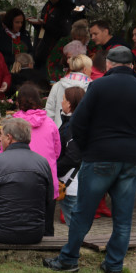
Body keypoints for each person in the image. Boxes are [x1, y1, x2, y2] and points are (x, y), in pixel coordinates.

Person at [43, 46, 136, 273]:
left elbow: (77, 123)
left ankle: (69, 259)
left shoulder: (98, 87)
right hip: (128, 159)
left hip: (99, 156)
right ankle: (114, 265)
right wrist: (134, 147)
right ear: (131, 65)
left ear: (109, 64)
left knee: (83, 213)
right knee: (123, 218)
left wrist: (87, 148)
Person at [0, 117, 54, 243]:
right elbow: (48, 199)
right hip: (34, 232)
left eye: (1, 135)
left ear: (9, 138)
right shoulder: (42, 162)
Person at [29, 0, 73, 70]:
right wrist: (36, 25)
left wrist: (44, 25)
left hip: (55, 52)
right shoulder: (48, 4)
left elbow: (64, 32)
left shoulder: (65, 7)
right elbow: (43, 27)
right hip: (41, 47)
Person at [56, 86, 85, 225]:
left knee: (74, 224)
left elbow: (73, 156)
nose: (61, 102)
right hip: (75, 181)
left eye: (63, 99)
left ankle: (75, 246)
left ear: (69, 103)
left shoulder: (72, 125)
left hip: (71, 182)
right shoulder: (78, 122)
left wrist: (55, 169)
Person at [45, 54, 92, 127]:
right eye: (90, 68)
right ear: (85, 69)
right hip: (83, 132)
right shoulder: (92, 86)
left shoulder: (58, 85)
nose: (91, 70)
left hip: (59, 131)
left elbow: (49, 111)